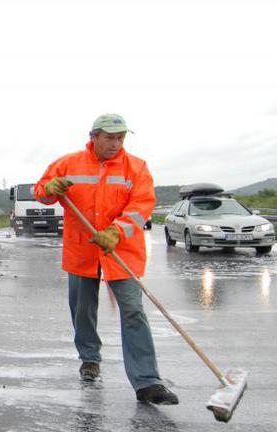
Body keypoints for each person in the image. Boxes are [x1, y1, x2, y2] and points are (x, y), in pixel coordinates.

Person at [33, 113, 178, 405]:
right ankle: (89, 359)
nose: (116, 143)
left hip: (121, 250)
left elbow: (141, 206)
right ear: (94, 136)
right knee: (82, 309)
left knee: (133, 311)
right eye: (110, 137)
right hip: (82, 249)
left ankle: (147, 382)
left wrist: (116, 231)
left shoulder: (136, 168)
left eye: (121, 138)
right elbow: (41, 192)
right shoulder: (68, 163)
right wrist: (49, 190)